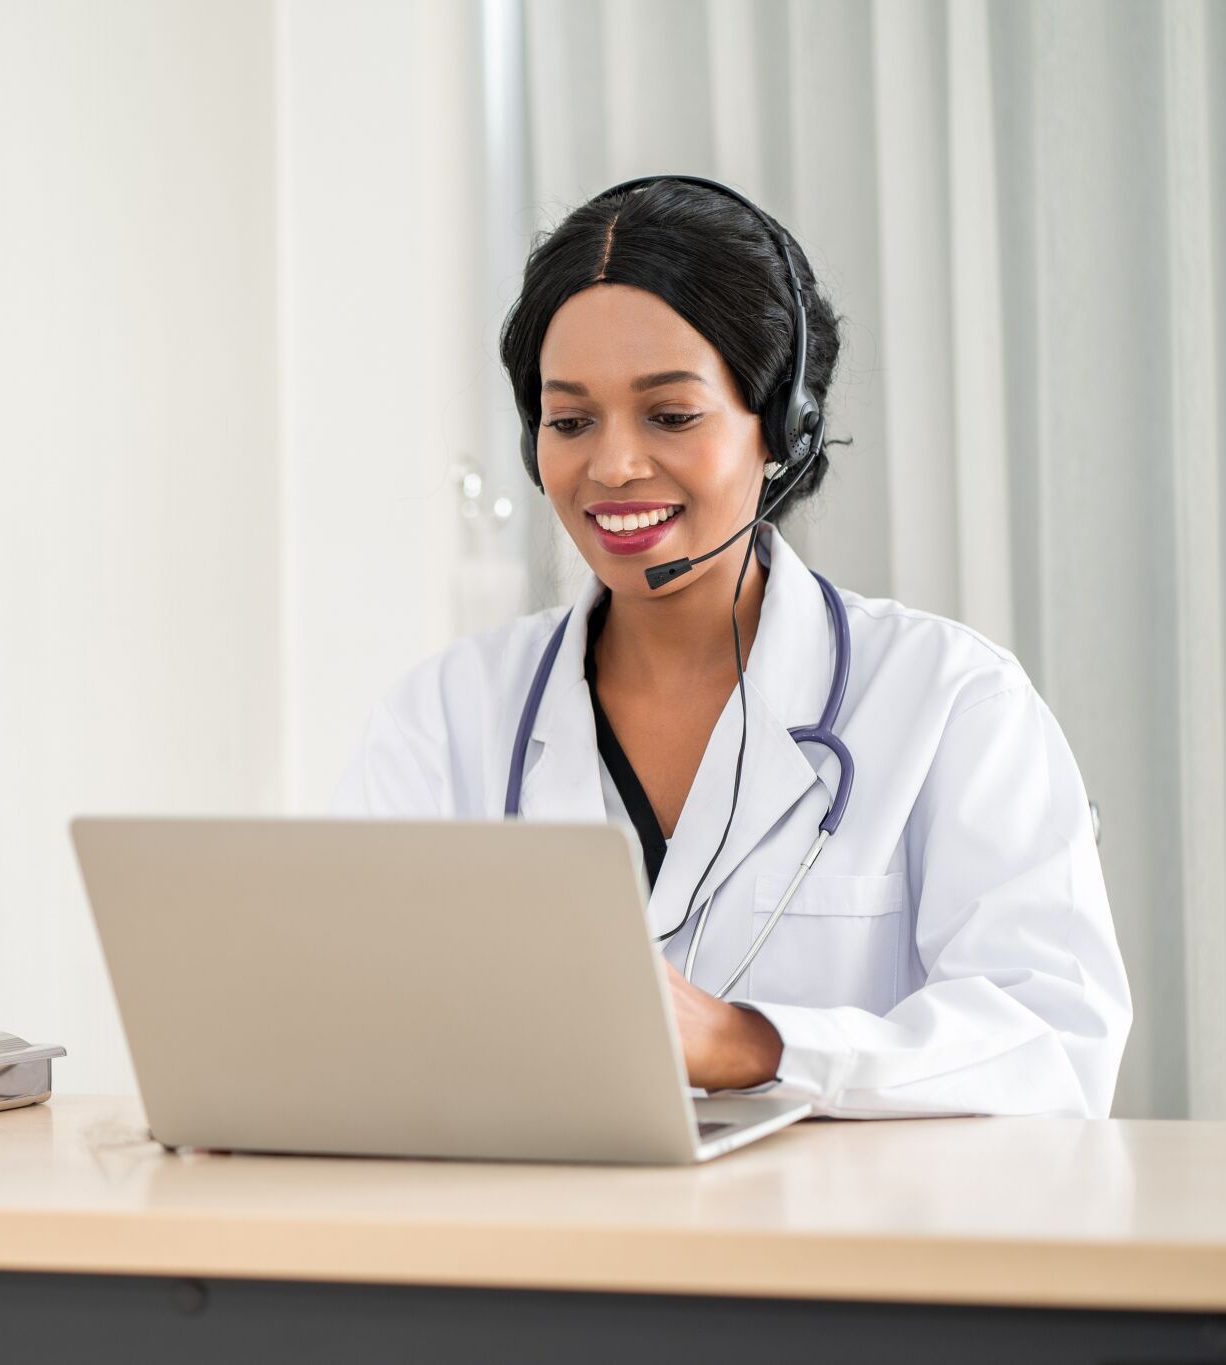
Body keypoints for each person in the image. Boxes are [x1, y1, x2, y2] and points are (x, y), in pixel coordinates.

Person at [332, 178, 1130, 1119]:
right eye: (570, 419)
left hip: (841, 1256)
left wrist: (752, 1043)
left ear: (783, 431)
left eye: (671, 416)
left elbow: (1054, 1042)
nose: (613, 465)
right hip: (538, 1243)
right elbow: (357, 1020)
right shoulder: (446, 714)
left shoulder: (954, 702)